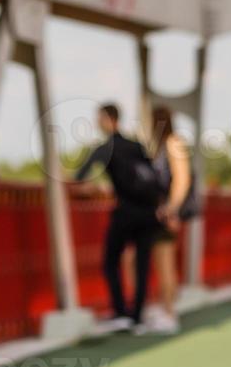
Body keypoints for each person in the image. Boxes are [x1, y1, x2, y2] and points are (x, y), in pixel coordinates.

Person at [71, 102, 160, 332]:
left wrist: (97, 189)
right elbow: (150, 176)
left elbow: (80, 176)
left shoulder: (105, 147)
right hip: (148, 212)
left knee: (111, 261)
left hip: (125, 212)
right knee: (142, 264)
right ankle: (137, 315)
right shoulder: (136, 145)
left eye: (99, 118)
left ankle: (120, 310)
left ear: (107, 118)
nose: (97, 123)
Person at [141, 106, 195, 335]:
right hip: (158, 212)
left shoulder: (173, 143)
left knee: (165, 264)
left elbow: (182, 180)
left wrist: (172, 210)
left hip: (166, 212)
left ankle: (170, 313)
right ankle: (163, 309)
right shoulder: (160, 147)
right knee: (158, 262)